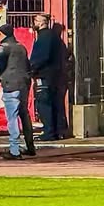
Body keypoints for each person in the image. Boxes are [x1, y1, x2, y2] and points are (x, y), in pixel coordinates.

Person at [0, 24, 36, 159]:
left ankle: (15, 150)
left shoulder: (5, 47)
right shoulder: (21, 47)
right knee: (24, 115)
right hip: (24, 84)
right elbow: (28, 66)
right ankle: (30, 147)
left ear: (4, 35)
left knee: (12, 117)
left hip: (11, 85)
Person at [30, 13, 67, 141]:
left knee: (43, 104)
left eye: (35, 20)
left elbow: (41, 57)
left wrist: (32, 69)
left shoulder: (44, 37)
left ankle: (48, 132)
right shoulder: (55, 39)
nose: (33, 22)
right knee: (54, 103)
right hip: (54, 76)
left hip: (44, 75)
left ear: (42, 22)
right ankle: (56, 131)